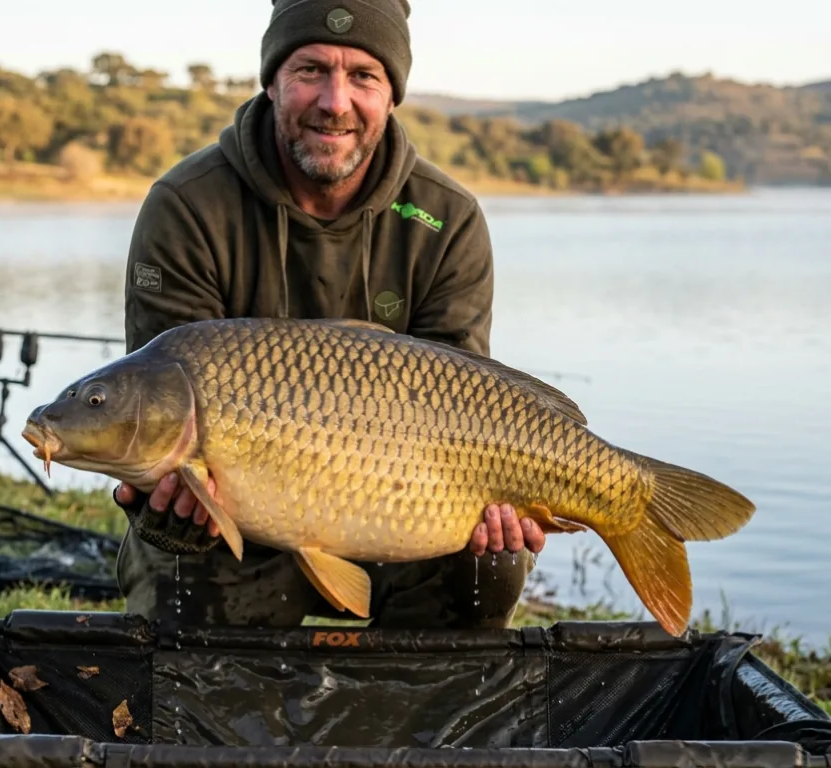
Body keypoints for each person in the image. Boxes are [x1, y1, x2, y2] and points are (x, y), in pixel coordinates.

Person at [111, 0, 544, 629]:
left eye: (363, 76)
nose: (335, 102)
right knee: (178, 564)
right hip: (231, 525)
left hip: (403, 511)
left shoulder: (448, 218)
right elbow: (152, 394)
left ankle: (413, 696)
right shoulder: (187, 206)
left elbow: (467, 405)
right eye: (310, 70)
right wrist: (168, 502)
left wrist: (502, 507)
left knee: (490, 565)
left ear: (392, 94)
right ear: (272, 81)